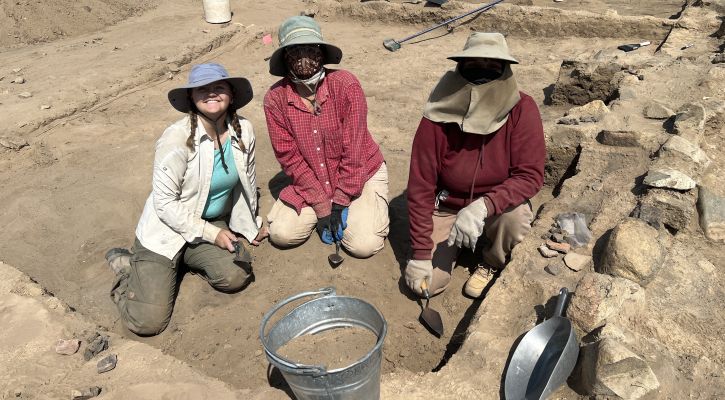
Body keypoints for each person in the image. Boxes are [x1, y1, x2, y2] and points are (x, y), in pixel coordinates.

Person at [105, 63, 266, 336]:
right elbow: (165, 204)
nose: (211, 93)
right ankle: (128, 269)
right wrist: (211, 234)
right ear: (191, 97)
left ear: (231, 95)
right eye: (202, 89)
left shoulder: (244, 130)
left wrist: (250, 223)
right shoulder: (176, 138)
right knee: (147, 323)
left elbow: (247, 182)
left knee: (236, 275)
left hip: (208, 222)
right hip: (166, 230)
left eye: (219, 87)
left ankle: (180, 263)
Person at [404, 32, 545, 299]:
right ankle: (451, 247)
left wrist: (483, 206)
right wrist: (421, 254)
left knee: (515, 219)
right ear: (461, 67)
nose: (483, 70)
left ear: (505, 69)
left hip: (495, 206)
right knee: (425, 286)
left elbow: (530, 175)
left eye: (492, 65)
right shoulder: (440, 109)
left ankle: (490, 261)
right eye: (475, 64)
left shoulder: (522, 108)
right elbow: (421, 185)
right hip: (446, 205)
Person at [263, 16, 389, 258]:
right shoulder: (275, 99)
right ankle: (323, 207)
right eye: (294, 51)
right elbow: (290, 158)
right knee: (281, 234)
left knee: (363, 245)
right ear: (285, 57)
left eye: (310, 49)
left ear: (322, 53)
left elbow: (354, 150)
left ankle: (363, 204)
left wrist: (340, 202)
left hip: (360, 172)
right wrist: (322, 208)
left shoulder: (345, 85)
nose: (304, 58)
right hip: (314, 178)